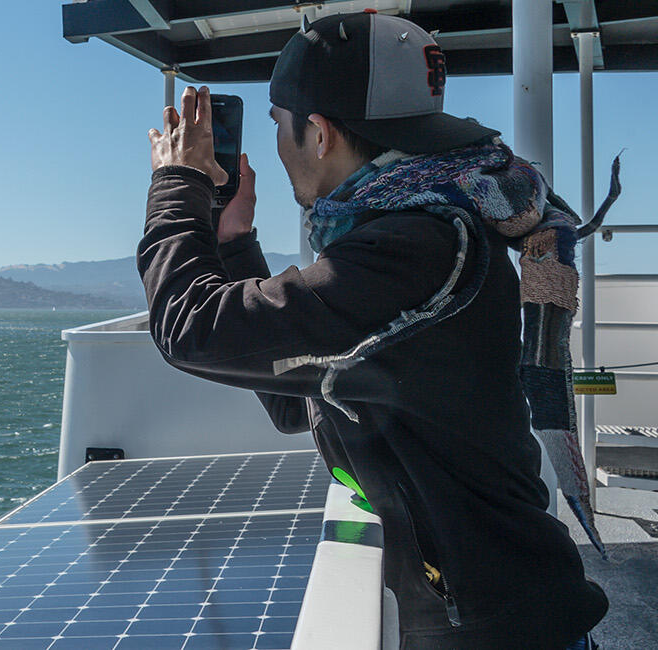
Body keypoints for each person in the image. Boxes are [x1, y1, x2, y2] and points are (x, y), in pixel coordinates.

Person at [137, 11, 607, 649]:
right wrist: (235, 241)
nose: (277, 148)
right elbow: (293, 402)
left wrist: (176, 185)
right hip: (494, 612)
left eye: (281, 126)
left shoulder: (413, 252)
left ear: (321, 134)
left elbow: (189, 328)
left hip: (494, 628)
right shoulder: (435, 228)